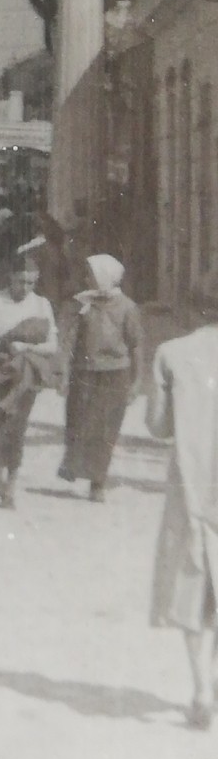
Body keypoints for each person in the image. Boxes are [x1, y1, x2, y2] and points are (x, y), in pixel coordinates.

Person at [146, 270, 218, 730]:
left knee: (192, 582)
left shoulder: (171, 353)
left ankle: (202, 688)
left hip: (193, 483)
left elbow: (157, 426)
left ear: (193, 308)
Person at [0, 254, 60, 508]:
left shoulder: (42, 305)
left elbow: (52, 346)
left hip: (25, 376)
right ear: (10, 277)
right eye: (21, 281)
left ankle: (11, 485)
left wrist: (25, 347)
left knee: (16, 429)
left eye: (31, 282)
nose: (26, 288)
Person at [57, 253, 145, 502]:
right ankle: (74, 466)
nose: (86, 278)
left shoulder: (127, 307)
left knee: (105, 430)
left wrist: (137, 381)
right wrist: (63, 371)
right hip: (83, 374)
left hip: (115, 375)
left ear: (104, 277)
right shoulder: (83, 304)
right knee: (77, 422)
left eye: (90, 275)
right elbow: (70, 340)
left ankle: (98, 482)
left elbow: (137, 345)